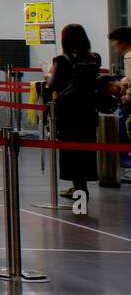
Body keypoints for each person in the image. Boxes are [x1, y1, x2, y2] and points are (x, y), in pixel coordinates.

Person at [43, 23, 101, 199]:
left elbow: (54, 85)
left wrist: (48, 76)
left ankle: (79, 188)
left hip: (68, 110)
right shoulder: (94, 58)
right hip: (89, 109)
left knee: (70, 149)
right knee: (85, 147)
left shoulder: (62, 60)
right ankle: (81, 186)